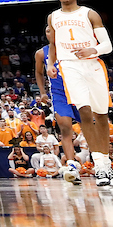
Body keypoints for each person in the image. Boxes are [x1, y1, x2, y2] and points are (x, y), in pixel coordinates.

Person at [46, 0, 113, 187]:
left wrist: (93, 50)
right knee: (84, 110)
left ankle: (106, 163)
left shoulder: (89, 13)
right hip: (69, 66)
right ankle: (99, 165)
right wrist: (50, 64)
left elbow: (107, 46)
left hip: (92, 65)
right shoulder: (53, 17)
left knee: (101, 115)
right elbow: (53, 44)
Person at [35, 30, 82, 184]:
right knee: (65, 128)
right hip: (59, 94)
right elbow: (39, 72)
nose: (50, 32)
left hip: (78, 91)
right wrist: (42, 92)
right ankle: (72, 166)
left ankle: (101, 163)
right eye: (47, 30)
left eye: (53, 30)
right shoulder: (41, 53)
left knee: (89, 128)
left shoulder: (73, 47)